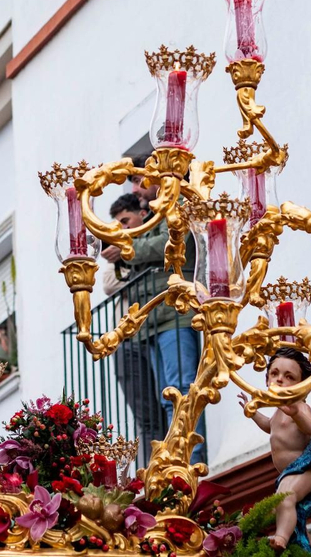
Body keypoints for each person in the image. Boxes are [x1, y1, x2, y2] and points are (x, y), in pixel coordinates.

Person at [101, 193, 167, 452]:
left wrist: (127, 255)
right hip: (129, 337)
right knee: (144, 413)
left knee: (168, 397)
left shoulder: (149, 236)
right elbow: (109, 283)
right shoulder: (122, 246)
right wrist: (131, 258)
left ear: (142, 214)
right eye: (118, 224)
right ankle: (153, 464)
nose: (122, 228)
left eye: (126, 221)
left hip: (154, 328)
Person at [240, 348, 311, 553]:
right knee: (286, 506)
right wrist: (253, 414)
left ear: (303, 385)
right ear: (267, 379)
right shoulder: (278, 411)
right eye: (274, 374)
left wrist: (296, 414)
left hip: (306, 470)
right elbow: (270, 426)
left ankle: (281, 538)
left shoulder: (300, 407)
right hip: (289, 473)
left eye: (289, 376)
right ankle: (308, 541)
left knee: (284, 498)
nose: (279, 379)